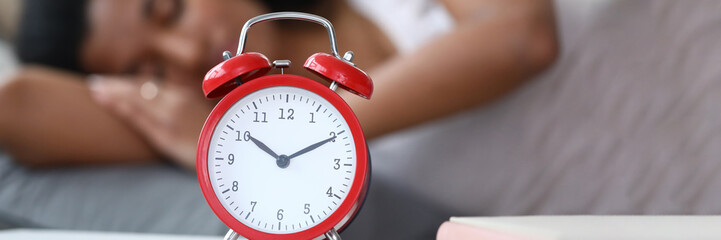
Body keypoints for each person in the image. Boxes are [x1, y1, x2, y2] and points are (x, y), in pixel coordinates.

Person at [0, 0, 558, 238]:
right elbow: (18, 107)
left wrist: (292, 125)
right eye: (147, 70)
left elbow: (523, 39)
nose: (185, 50)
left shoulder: (265, 137)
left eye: (170, 8)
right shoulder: (223, 136)